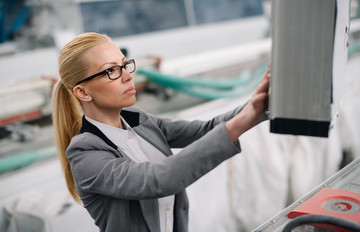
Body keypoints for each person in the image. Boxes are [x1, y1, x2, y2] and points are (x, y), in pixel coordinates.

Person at [52, 32, 270, 232]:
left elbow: (205, 130)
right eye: (111, 71)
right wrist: (242, 120)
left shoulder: (139, 121)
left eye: (124, 65)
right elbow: (160, 179)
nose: (127, 76)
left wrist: (263, 104)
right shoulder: (85, 155)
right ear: (83, 92)